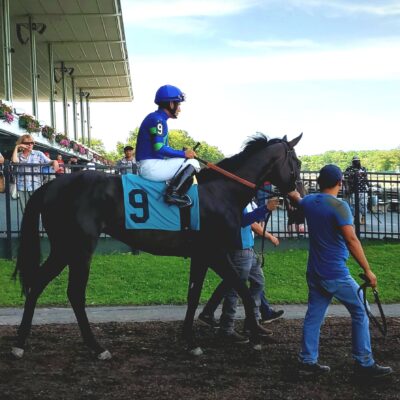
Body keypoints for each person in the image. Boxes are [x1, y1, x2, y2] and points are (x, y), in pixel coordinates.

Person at [289, 164, 392, 378]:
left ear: (318, 182)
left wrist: (287, 190)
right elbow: (352, 240)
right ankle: (364, 362)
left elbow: (296, 197)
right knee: (361, 310)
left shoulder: (309, 202)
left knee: (314, 316)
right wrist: (368, 270)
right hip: (335, 273)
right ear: (340, 182)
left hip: (315, 272)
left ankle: (307, 362)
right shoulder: (339, 206)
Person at [198, 198, 281, 343]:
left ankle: (252, 323)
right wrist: (265, 209)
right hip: (240, 250)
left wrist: (264, 212)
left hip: (247, 249)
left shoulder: (245, 198)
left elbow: (250, 221)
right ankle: (227, 328)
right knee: (234, 289)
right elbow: (243, 220)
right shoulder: (237, 199)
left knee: (258, 282)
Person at [135, 84, 200, 207]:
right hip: (151, 167)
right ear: (171, 104)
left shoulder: (156, 118)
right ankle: (173, 193)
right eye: (178, 104)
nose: (179, 109)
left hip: (150, 165)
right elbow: (159, 148)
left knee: (185, 160)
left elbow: (162, 149)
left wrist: (182, 153)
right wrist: (184, 154)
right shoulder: (159, 120)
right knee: (194, 163)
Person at [11, 134, 59, 212]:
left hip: (36, 186)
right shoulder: (18, 155)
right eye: (27, 143)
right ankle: (29, 224)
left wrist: (55, 161)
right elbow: (15, 161)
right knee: (25, 211)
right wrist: (16, 147)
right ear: (21, 144)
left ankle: (35, 223)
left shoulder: (38, 154)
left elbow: (49, 161)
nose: (30, 145)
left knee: (36, 210)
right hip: (22, 187)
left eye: (32, 143)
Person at [344, 156, 369, 225]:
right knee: (354, 205)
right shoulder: (349, 169)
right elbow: (345, 180)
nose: (357, 162)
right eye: (355, 161)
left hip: (363, 190)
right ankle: (356, 218)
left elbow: (366, 179)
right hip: (353, 190)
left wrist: (368, 186)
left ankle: (363, 217)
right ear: (352, 162)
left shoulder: (363, 168)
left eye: (358, 161)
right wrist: (347, 188)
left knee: (363, 204)